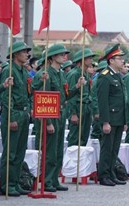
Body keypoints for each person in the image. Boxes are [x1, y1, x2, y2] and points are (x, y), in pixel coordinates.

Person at [32, 44, 83, 192]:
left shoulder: (60, 73)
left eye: (65, 54)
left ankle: (54, 179)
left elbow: (65, 95)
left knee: (58, 150)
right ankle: (47, 181)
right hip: (49, 115)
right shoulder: (45, 73)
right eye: (61, 54)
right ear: (53, 57)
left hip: (60, 113)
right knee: (49, 151)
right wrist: (47, 122)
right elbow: (42, 98)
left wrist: (77, 87)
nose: (64, 57)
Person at [0, 42, 30, 196]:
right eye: (24, 51)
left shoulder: (23, 72)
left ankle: (15, 182)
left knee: (20, 152)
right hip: (13, 113)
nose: (27, 54)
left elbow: (27, 93)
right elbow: (6, 95)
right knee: (10, 153)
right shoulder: (8, 70)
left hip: (23, 113)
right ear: (16, 54)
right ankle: (6, 185)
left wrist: (28, 111)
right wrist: (11, 117)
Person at [97, 44, 127, 186]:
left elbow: (122, 100)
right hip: (110, 119)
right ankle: (103, 175)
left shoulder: (118, 76)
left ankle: (111, 173)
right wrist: (105, 122)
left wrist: (125, 120)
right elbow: (103, 102)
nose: (122, 61)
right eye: (119, 58)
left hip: (119, 118)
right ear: (111, 60)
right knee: (107, 148)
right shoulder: (105, 77)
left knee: (114, 149)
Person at [66, 49, 96, 147]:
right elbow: (70, 95)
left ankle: (80, 161)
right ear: (81, 60)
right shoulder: (74, 74)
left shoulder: (86, 74)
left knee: (84, 138)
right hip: (78, 108)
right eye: (89, 58)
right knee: (75, 138)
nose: (91, 60)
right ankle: (72, 161)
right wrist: (74, 113)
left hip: (86, 107)